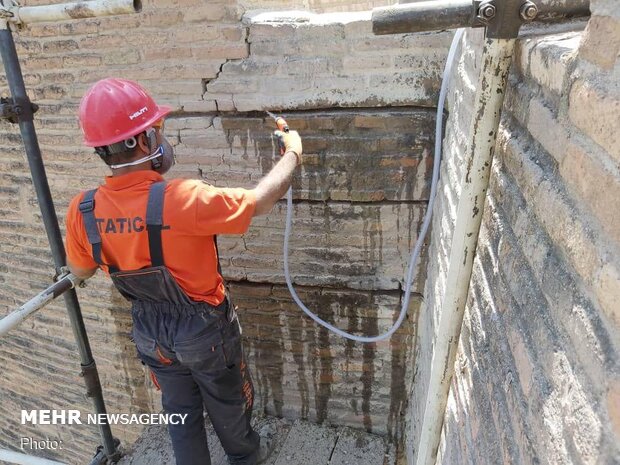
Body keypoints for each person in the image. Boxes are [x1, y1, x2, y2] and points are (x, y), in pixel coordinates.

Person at [64, 78, 302, 465]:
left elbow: (80, 268)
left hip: (149, 330)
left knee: (179, 414)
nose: (162, 139)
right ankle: (247, 457)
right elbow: (260, 201)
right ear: (139, 141)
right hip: (204, 330)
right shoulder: (184, 198)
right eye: (158, 131)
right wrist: (293, 152)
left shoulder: (83, 209)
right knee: (227, 401)